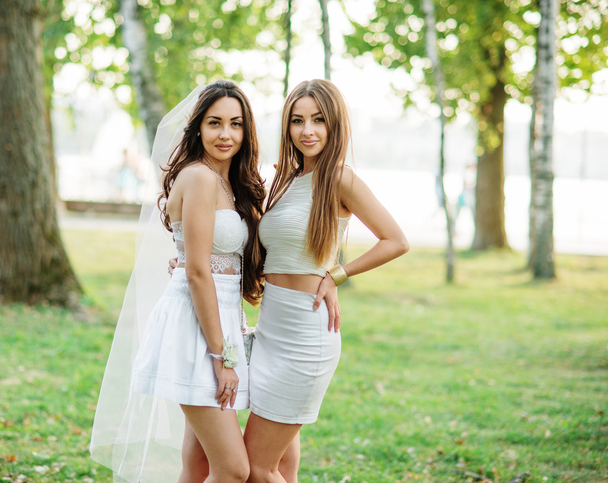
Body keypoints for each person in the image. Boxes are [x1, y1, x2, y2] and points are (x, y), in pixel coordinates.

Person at [90, 80, 265, 483]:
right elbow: (199, 272)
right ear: (198, 128)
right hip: (197, 330)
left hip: (218, 319)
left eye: (236, 124)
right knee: (234, 469)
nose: (226, 134)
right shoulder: (201, 178)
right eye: (215, 123)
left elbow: (207, 258)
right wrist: (224, 360)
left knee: (199, 465)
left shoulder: (225, 183)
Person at [244, 79, 409, 483]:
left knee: (255, 468)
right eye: (298, 121)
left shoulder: (340, 178)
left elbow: (396, 240)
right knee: (281, 466)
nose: (308, 130)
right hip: (271, 329)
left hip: (306, 335)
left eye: (318, 120)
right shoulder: (284, 179)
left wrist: (337, 275)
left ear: (334, 124)